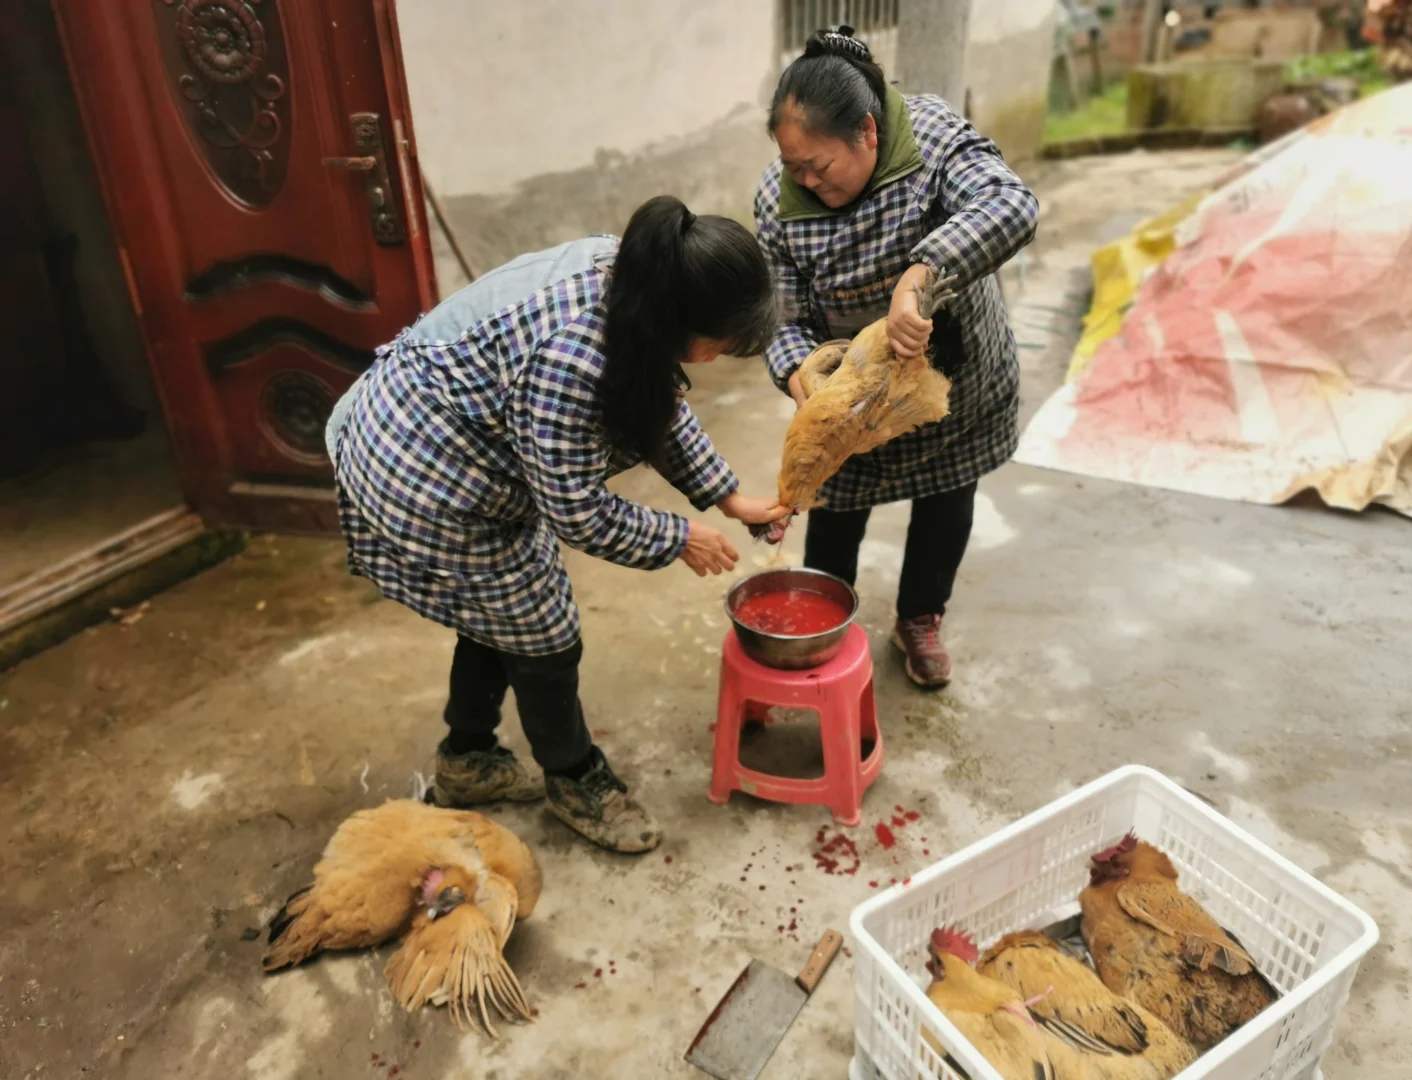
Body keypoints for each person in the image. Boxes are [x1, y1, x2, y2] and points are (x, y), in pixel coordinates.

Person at [328, 196, 789, 854]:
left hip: (462, 443)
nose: (716, 357)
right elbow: (578, 513)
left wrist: (726, 496)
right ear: (678, 319)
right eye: (718, 343)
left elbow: (656, 399)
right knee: (545, 634)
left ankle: (466, 759)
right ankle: (574, 777)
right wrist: (679, 537)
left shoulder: (637, 279)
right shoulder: (574, 360)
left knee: (502, 612)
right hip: (421, 466)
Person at [755, 26, 1039, 690]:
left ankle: (920, 616)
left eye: (818, 168)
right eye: (792, 167)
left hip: (954, 377)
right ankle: (824, 621)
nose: (804, 182)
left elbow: (1011, 205)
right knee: (836, 515)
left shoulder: (934, 139)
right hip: (854, 397)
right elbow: (780, 313)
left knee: (946, 497)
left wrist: (922, 276)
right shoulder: (778, 201)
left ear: (868, 133)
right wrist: (802, 375)